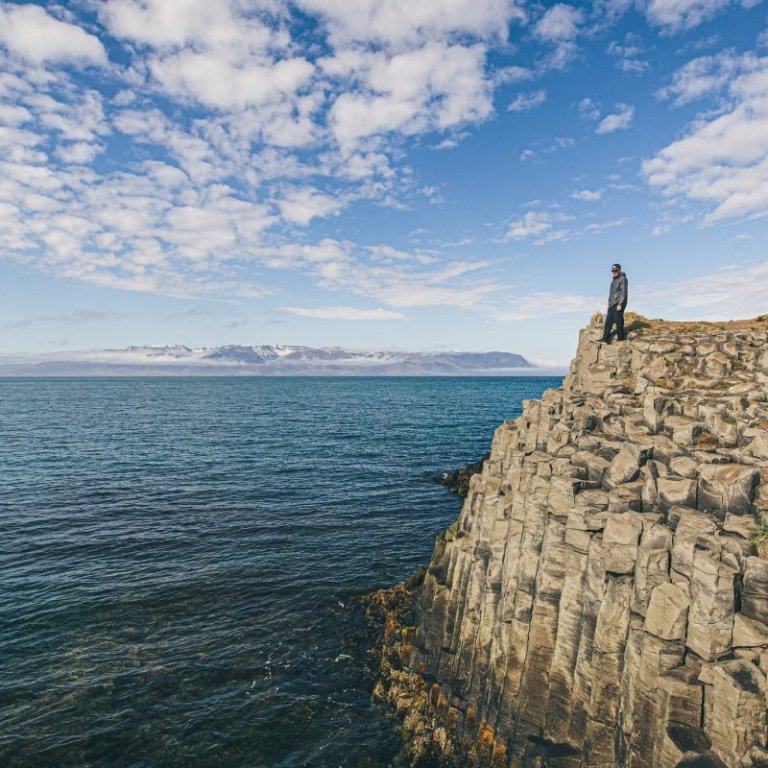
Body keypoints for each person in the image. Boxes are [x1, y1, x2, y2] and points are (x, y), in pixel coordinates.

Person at [602, 263, 628, 343]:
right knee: (608, 322)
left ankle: (621, 338)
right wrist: (609, 305)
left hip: (618, 304)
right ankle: (605, 339)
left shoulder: (623, 278)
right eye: (613, 271)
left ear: (619, 270)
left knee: (618, 321)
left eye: (616, 270)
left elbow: (623, 292)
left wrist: (620, 304)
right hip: (611, 304)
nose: (614, 272)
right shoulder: (614, 280)